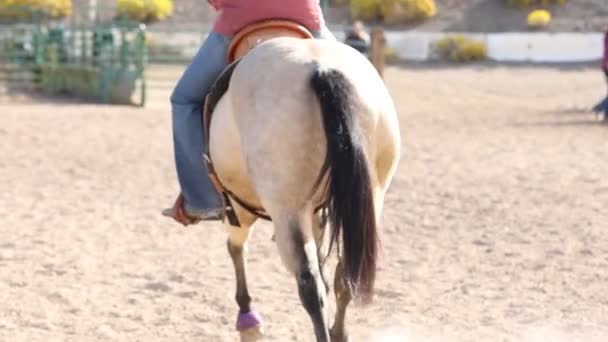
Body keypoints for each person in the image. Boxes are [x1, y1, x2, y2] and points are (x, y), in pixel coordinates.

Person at [164, 0, 336, 226]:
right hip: (306, 16)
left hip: (240, 20)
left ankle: (202, 200)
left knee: (184, 100)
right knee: (356, 85)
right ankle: (356, 184)